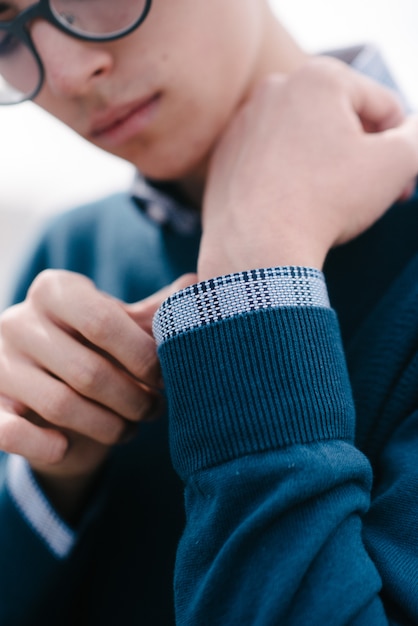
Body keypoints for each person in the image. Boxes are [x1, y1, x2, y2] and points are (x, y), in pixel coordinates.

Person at [0, 0, 418, 623]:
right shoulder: (69, 258)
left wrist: (258, 269)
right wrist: (51, 478)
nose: (63, 73)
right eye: (2, 27)